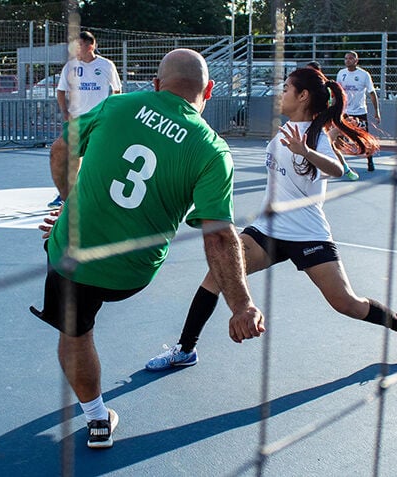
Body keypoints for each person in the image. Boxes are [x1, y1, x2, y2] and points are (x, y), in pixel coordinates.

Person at [32, 49, 264, 449]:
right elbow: (220, 235)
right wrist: (241, 305)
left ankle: (97, 419)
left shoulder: (118, 105)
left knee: (76, 333)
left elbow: (60, 151)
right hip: (133, 272)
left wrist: (71, 205)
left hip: (74, 256)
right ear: (208, 90)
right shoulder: (211, 150)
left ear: (155, 84)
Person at [145, 67, 397, 372]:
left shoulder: (314, 137)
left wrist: (307, 150)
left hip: (307, 233)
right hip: (268, 229)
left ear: (303, 95)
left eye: (286, 88)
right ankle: (185, 349)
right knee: (218, 273)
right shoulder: (286, 130)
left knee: (346, 303)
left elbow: (335, 170)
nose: (280, 94)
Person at [47, 31, 122, 208]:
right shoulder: (71, 66)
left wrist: (112, 111)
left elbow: (117, 90)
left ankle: (103, 193)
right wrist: (65, 112)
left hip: (100, 119)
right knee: (66, 155)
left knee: (98, 157)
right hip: (77, 120)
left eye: (79, 45)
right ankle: (65, 195)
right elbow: (61, 91)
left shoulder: (106, 65)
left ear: (91, 46)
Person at [305, 60, 359, 181]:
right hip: (311, 120)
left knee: (330, 145)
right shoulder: (305, 87)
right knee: (328, 145)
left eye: (310, 70)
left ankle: (345, 169)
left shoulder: (324, 87)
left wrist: (334, 116)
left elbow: (334, 102)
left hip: (322, 119)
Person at [336, 51, 381, 172]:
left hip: (359, 112)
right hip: (345, 112)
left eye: (351, 58)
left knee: (364, 138)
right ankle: (339, 163)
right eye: (346, 58)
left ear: (356, 61)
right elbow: (337, 92)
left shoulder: (364, 75)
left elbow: (372, 92)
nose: (348, 60)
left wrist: (377, 111)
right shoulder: (341, 74)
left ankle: (370, 160)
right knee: (338, 136)